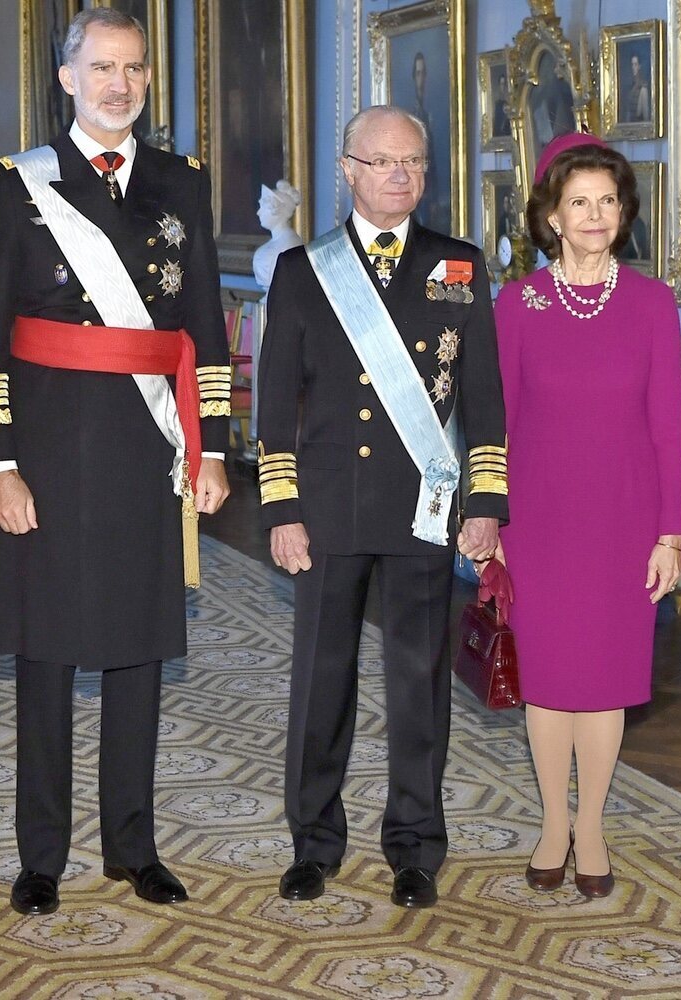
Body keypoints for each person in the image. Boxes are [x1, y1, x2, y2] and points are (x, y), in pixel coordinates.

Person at [0, 7, 231, 917]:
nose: (121, 85)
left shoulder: (181, 184)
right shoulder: (17, 188)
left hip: (146, 448)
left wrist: (213, 446)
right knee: (43, 655)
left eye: (135, 69)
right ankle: (41, 855)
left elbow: (204, 325)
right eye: (103, 68)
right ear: (67, 78)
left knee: (138, 651)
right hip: (44, 447)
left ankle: (133, 846)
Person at [257, 105, 506, 910]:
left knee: (418, 684)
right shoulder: (304, 269)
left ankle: (414, 848)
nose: (400, 175)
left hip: (422, 508)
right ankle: (313, 842)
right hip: (327, 509)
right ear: (349, 169)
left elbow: (484, 398)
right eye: (383, 161)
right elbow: (273, 402)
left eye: (415, 162)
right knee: (321, 682)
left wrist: (486, 500)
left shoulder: (459, 267)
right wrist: (281, 507)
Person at [494, 133, 681, 900]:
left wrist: (671, 532)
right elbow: (497, 423)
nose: (595, 215)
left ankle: (595, 826)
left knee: (604, 679)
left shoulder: (651, 303)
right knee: (547, 679)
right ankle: (550, 823)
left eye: (608, 201)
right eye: (580, 202)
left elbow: (669, 425)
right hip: (537, 517)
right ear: (551, 214)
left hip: (625, 517)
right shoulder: (518, 303)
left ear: (624, 212)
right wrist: (489, 524)